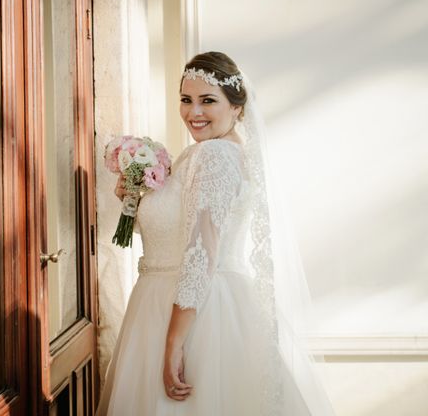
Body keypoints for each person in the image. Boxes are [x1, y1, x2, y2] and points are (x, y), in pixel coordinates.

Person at [96, 51, 335, 415]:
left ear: (237, 108)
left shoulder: (215, 156)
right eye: (186, 100)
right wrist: (136, 196)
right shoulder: (205, 154)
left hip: (192, 315)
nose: (194, 112)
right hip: (171, 304)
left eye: (208, 101)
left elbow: (200, 254)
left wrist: (174, 342)